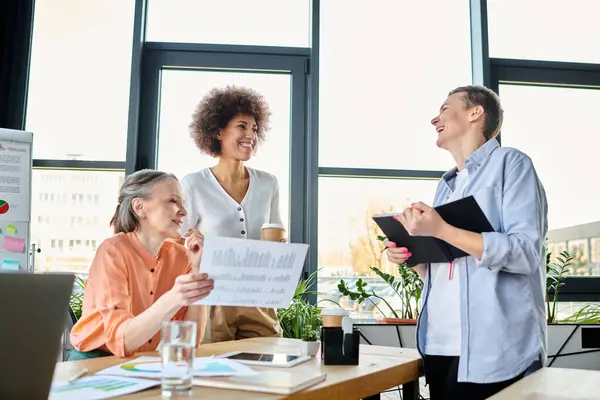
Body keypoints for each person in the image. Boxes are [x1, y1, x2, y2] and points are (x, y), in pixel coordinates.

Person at [384, 85, 547, 400]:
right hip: (440, 348)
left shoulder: (511, 164)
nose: (435, 119)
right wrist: (413, 256)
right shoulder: (446, 187)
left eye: (445, 108)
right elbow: (448, 270)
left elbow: (526, 253)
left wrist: (442, 229)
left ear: (476, 113)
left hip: (494, 354)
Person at [69, 169, 214, 359]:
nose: (184, 211)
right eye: (172, 201)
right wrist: (175, 297)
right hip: (94, 361)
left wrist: (198, 269)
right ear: (139, 207)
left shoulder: (183, 258)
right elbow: (122, 342)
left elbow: (189, 339)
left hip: (140, 361)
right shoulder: (112, 251)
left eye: (182, 203)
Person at [180, 86, 283, 343]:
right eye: (241, 126)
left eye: (254, 129)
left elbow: (276, 234)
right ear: (217, 132)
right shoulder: (194, 184)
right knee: (214, 372)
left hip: (258, 296)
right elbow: (179, 244)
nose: (250, 135)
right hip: (213, 298)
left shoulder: (268, 183)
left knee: (265, 366)